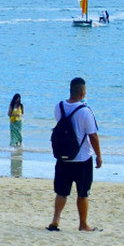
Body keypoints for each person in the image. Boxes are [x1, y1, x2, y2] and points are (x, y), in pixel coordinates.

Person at [47, 77, 102, 232]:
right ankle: (83, 224)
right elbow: (93, 136)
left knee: (61, 192)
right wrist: (99, 156)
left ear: (70, 91)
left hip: (63, 157)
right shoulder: (85, 111)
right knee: (83, 193)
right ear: (83, 93)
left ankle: (56, 219)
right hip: (82, 158)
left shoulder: (59, 107)